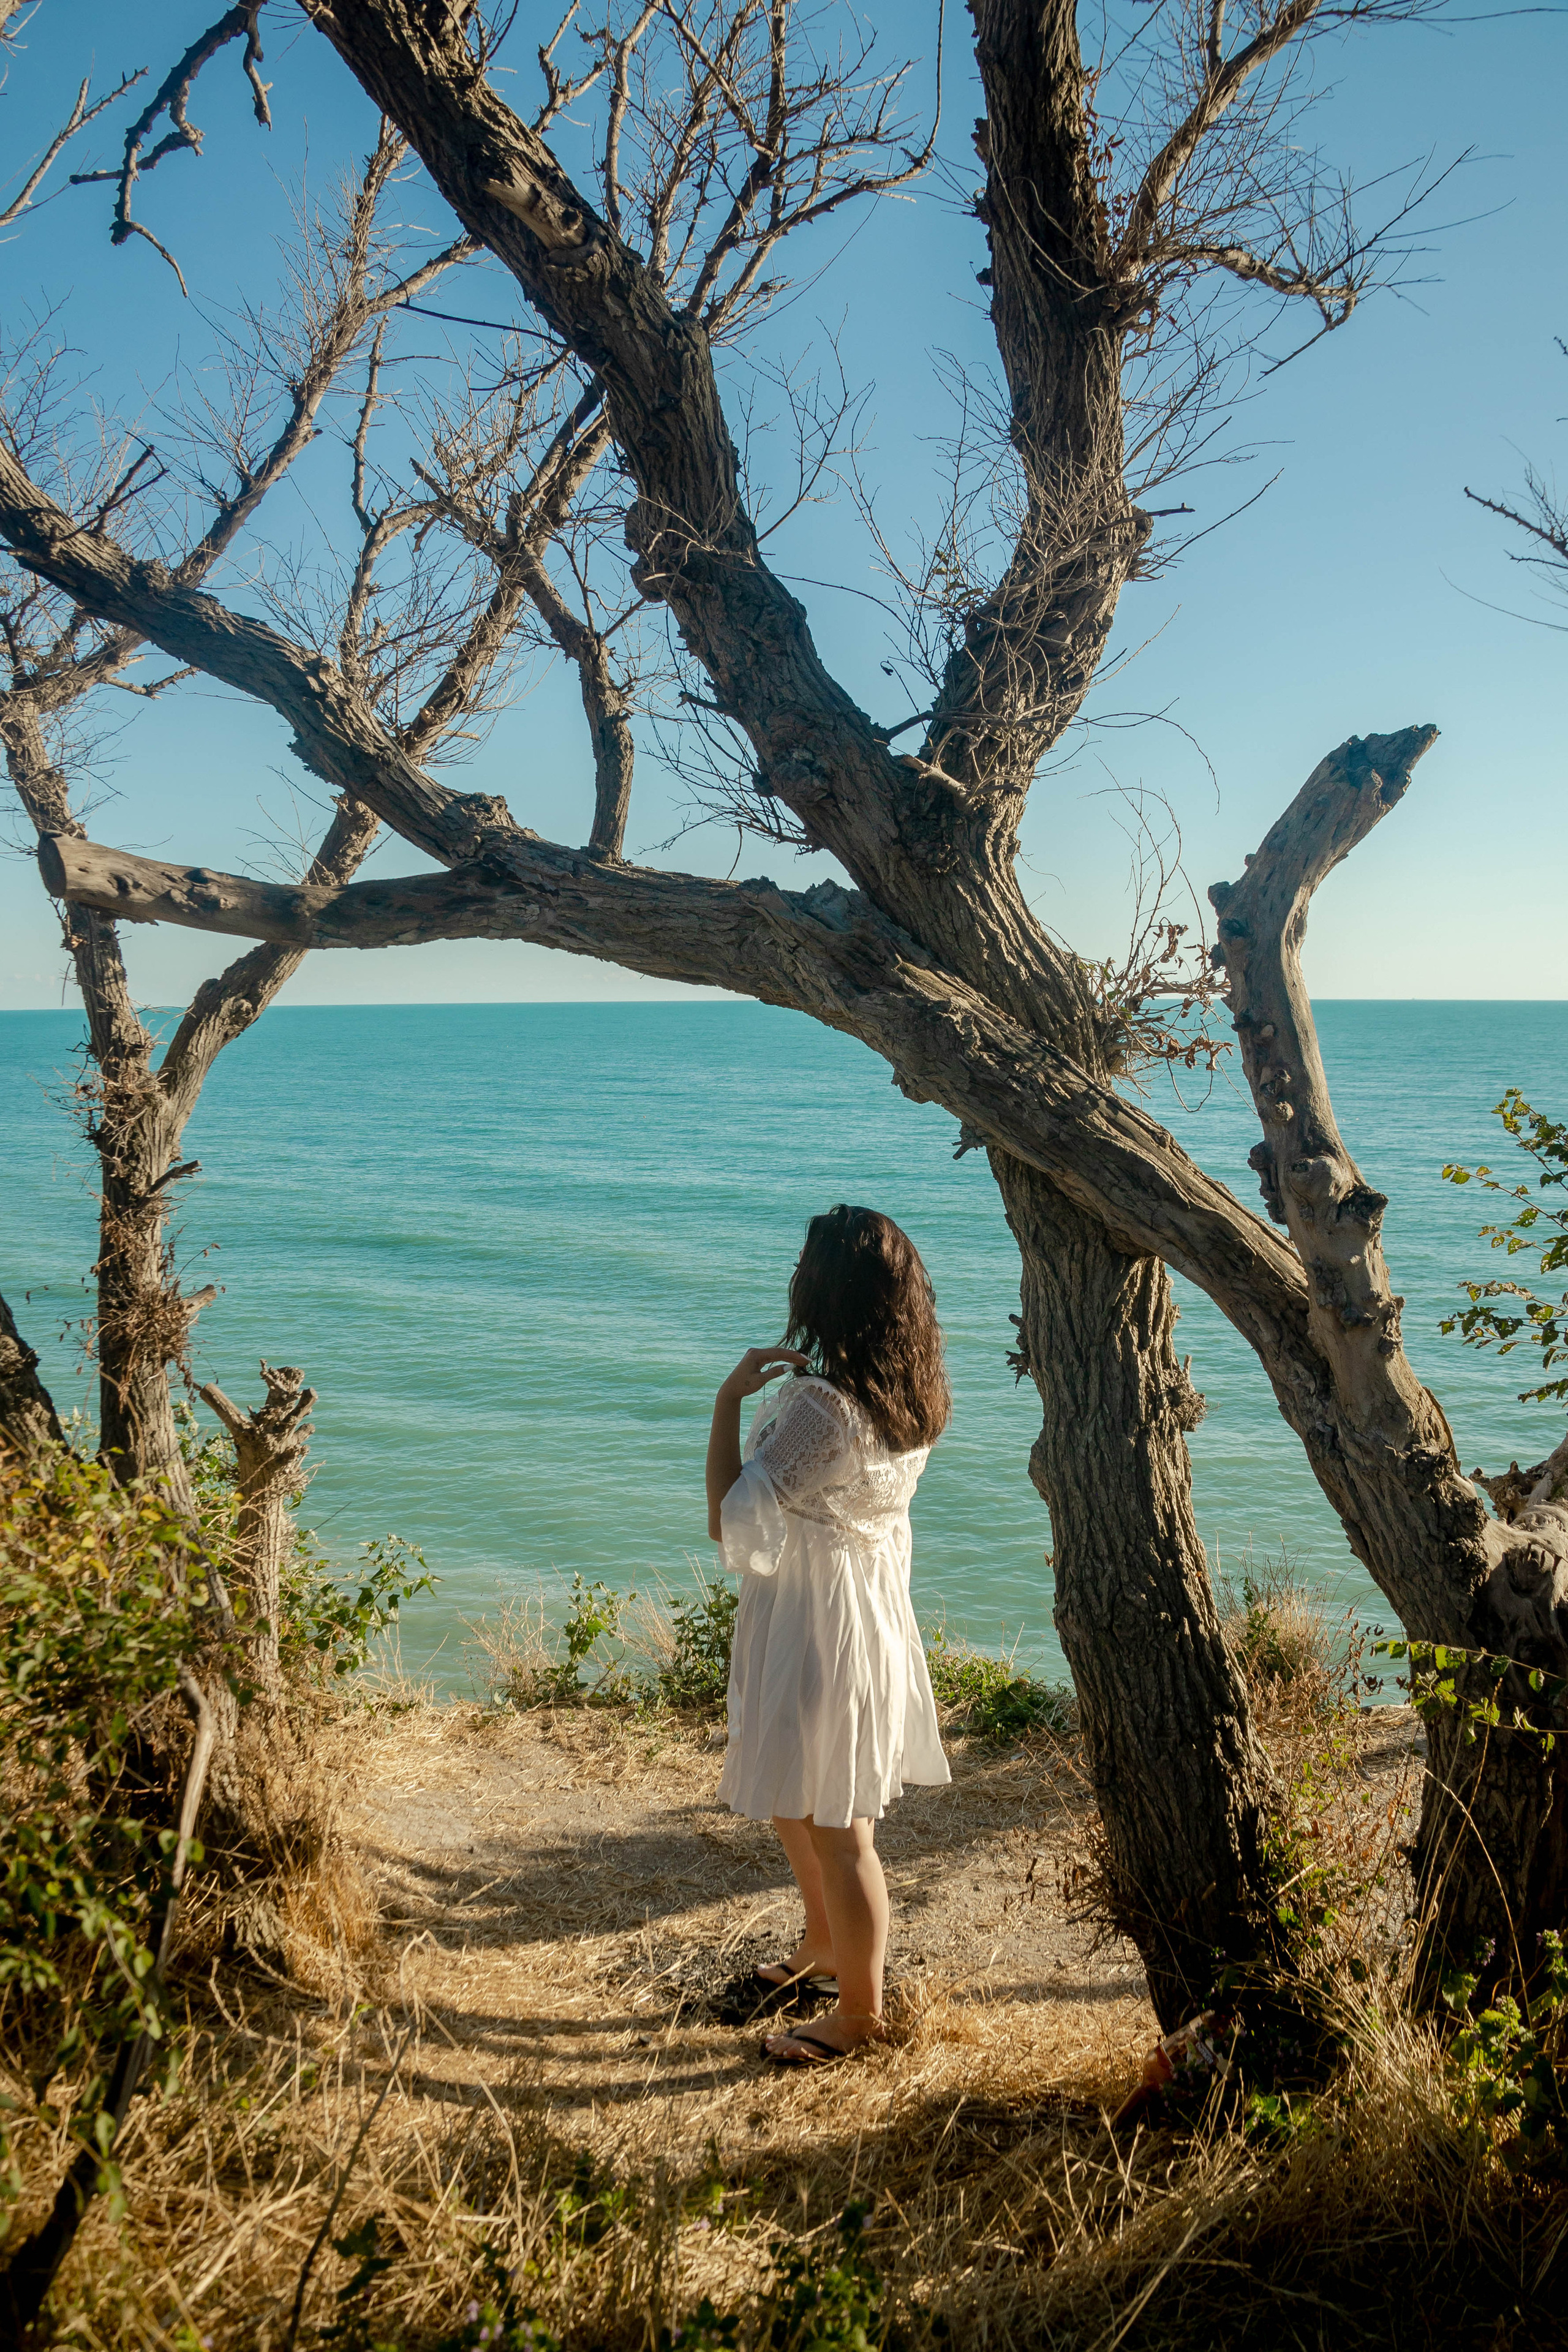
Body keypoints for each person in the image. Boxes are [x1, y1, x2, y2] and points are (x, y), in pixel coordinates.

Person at [704, 1203, 952, 2067]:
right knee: (794, 1791)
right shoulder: (911, 1395)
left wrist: (730, 1401)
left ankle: (859, 2017)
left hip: (819, 1622)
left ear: (826, 1290)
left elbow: (728, 1522)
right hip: (862, 1612)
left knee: (840, 1825)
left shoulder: (823, 1404)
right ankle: (820, 1944)